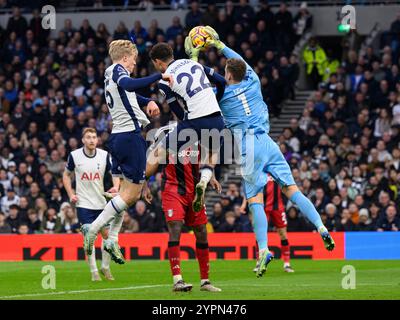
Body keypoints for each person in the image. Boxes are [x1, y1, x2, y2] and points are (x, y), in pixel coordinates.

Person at [185, 27, 335, 278]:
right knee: (293, 190)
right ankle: (320, 226)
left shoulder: (219, 95)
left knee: (255, 201)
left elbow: (197, 87)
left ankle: (263, 249)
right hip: (268, 142)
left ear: (228, 75)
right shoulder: (253, 80)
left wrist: (194, 58)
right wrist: (220, 44)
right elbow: (240, 62)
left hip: (248, 147)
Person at [80, 40, 172, 264]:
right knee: (130, 195)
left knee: (125, 194)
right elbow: (129, 85)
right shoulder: (118, 70)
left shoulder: (110, 74)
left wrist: (147, 101)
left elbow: (129, 94)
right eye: (133, 59)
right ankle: (93, 229)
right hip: (129, 137)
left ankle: (111, 239)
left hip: (121, 138)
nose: (134, 63)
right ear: (124, 58)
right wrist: (159, 76)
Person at [149, 42, 225, 214]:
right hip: (216, 116)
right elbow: (221, 81)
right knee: (212, 153)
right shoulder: (194, 63)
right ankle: (205, 179)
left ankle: (139, 183)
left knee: (159, 153)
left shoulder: (164, 79)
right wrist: (216, 100)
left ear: (158, 62)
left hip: (194, 120)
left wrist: (185, 122)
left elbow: (174, 106)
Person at [144, 123, 221, 292]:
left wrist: (212, 176)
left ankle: (205, 281)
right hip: (172, 188)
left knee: (201, 230)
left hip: (194, 189)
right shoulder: (165, 132)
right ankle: (177, 280)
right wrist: (144, 183)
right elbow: (154, 158)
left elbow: (206, 157)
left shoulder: (200, 129)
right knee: (175, 227)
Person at [63, 128, 120, 281]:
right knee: (89, 237)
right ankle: (94, 271)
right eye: (88, 137)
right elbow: (66, 176)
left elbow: (114, 173)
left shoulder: (104, 155)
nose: (92, 140)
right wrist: (71, 194)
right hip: (84, 204)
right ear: (83, 140)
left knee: (108, 237)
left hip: (101, 203)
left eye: (94, 137)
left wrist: (116, 187)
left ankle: (105, 267)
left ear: (97, 140)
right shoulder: (74, 156)